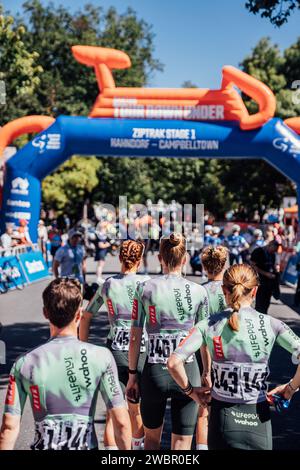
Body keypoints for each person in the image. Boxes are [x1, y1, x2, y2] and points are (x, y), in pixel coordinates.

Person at [167, 264, 300, 450]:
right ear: (255, 291)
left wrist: (190, 391)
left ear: (224, 290)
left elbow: (173, 362)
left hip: (222, 419)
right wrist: (290, 388)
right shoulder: (272, 324)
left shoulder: (209, 324)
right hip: (259, 420)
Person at [0, 278, 131, 450]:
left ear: (45, 313)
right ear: (79, 314)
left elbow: (9, 428)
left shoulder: (24, 362)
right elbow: (121, 423)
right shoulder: (101, 356)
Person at [126, 233, 209, 450]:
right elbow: (204, 340)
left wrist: (132, 375)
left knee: (151, 441)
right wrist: (207, 373)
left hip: (154, 372)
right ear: (185, 259)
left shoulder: (144, 288)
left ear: (160, 258)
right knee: (182, 443)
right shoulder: (199, 291)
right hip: (187, 372)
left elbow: (134, 336)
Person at [79, 240, 150, 450]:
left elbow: (86, 315)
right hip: (142, 352)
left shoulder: (108, 284)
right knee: (136, 409)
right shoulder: (148, 283)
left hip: (115, 351)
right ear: (140, 259)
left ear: (120, 258)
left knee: (113, 411)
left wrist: (83, 347)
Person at [195, 245, 228, 450]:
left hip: (204, 354)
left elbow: (200, 332)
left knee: (204, 407)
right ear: (225, 264)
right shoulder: (230, 291)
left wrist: (206, 369)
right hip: (227, 354)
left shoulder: (199, 291)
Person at [250, 240, 280, 314]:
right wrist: (266, 274)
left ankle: (264, 316)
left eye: (275, 250)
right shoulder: (258, 251)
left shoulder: (273, 254)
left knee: (266, 303)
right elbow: (253, 266)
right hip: (259, 281)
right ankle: (258, 317)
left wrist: (276, 271)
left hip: (269, 282)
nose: (274, 252)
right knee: (259, 303)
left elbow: (274, 266)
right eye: (273, 250)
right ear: (270, 245)